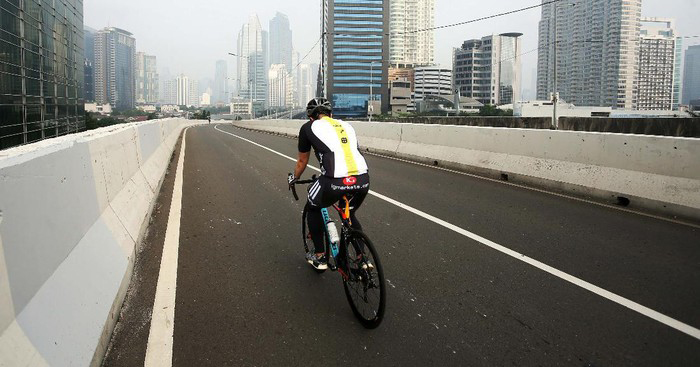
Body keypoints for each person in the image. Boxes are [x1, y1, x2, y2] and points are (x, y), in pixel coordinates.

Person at [288, 98, 370, 270]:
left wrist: (294, 178)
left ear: (310, 117)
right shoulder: (347, 126)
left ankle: (320, 257)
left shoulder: (308, 127)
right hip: (362, 178)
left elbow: (302, 161)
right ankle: (363, 260)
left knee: (313, 205)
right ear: (331, 114)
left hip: (333, 180)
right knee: (350, 213)